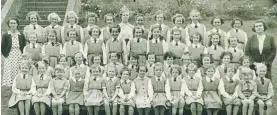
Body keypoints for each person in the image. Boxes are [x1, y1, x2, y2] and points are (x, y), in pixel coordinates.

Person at [1, 17, 26, 86]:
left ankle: (18, 83)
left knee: (18, 68)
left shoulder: (21, 35)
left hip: (19, 53)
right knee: (10, 68)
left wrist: (22, 53)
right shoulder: (6, 35)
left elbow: (24, 45)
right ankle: (9, 83)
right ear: (9, 25)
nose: (13, 25)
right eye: (11, 23)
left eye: (14, 23)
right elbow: (3, 47)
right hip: (10, 54)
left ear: (17, 24)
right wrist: (6, 55)